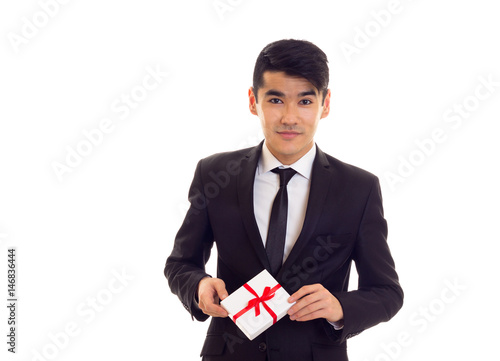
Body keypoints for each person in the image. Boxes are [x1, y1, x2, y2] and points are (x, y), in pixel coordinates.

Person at [164, 39, 403, 361]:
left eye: (305, 101)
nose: (290, 117)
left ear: (325, 104)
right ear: (253, 101)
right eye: (276, 100)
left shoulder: (359, 188)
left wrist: (339, 307)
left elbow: (387, 292)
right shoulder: (215, 174)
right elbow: (181, 263)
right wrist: (198, 286)